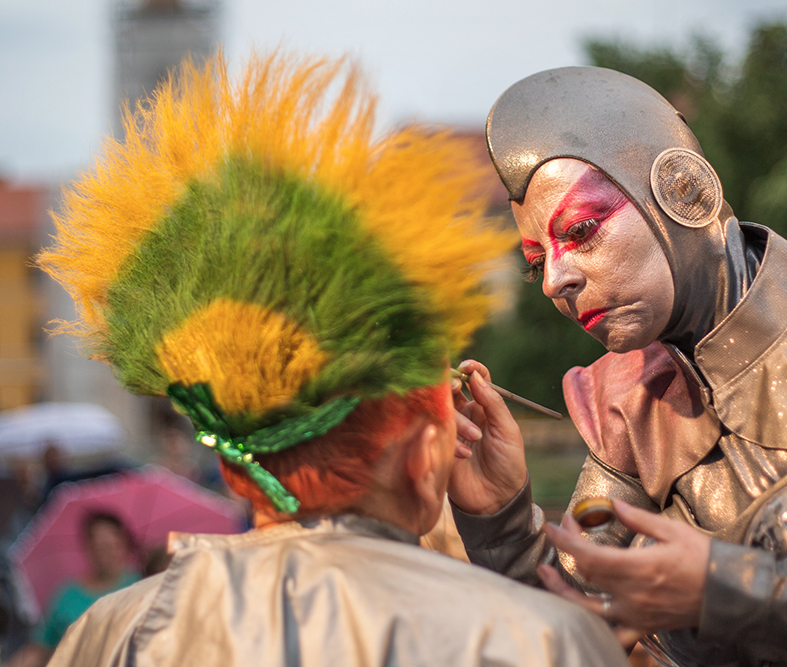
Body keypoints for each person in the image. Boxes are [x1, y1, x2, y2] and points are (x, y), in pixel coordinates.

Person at [37, 52, 630, 667]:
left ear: (236, 466)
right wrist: (504, 525)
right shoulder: (531, 640)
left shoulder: (107, 635)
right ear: (424, 455)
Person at [445, 66, 787, 667]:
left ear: (683, 191)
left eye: (580, 231)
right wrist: (497, 514)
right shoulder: (629, 402)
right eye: (534, 262)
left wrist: (728, 590)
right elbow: (580, 621)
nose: (556, 280)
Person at [6, 512, 139, 667]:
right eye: (100, 546)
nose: (107, 553)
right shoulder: (68, 596)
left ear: (123, 544)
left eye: (112, 545)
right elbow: (41, 646)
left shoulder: (140, 585)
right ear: (88, 547)